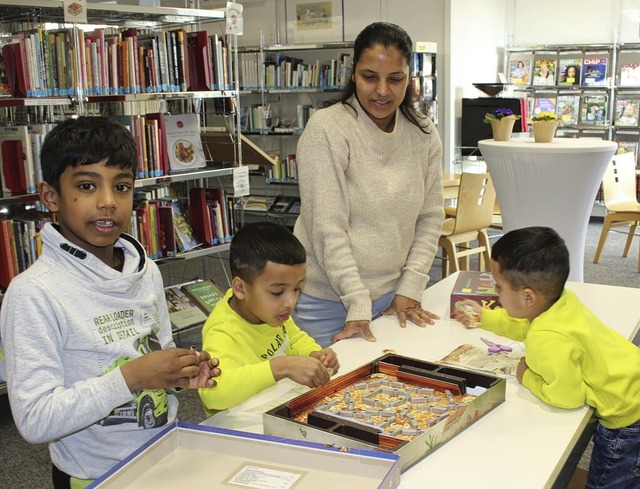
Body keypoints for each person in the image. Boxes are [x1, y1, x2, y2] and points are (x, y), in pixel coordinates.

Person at [0, 116, 221, 489]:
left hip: (164, 454)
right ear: (50, 196)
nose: (107, 202)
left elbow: (158, 350)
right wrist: (132, 377)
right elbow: (35, 419)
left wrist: (178, 374)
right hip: (93, 476)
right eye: (87, 186)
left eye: (121, 187)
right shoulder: (33, 293)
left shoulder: (146, 271)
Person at [293, 22, 445, 348]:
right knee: (324, 396)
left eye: (395, 79)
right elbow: (326, 228)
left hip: (394, 297)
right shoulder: (329, 129)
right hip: (329, 301)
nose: (382, 91)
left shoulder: (423, 132)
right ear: (353, 73)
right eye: (370, 77)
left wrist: (411, 287)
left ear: (410, 77)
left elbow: (430, 217)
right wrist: (357, 302)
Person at [453, 226, 640, 489]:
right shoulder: (562, 301)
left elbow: (567, 397)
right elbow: (526, 325)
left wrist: (526, 376)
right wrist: (486, 316)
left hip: (628, 420)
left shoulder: (546, 336)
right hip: (634, 384)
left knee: (608, 482)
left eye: (498, 286)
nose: (495, 292)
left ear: (528, 296)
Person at [199, 222, 339, 413]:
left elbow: (295, 338)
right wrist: (280, 367)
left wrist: (314, 355)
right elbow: (213, 394)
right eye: (277, 292)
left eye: (296, 289)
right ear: (240, 288)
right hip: (239, 427)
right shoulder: (222, 331)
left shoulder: (272, 313)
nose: (290, 301)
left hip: (273, 406)